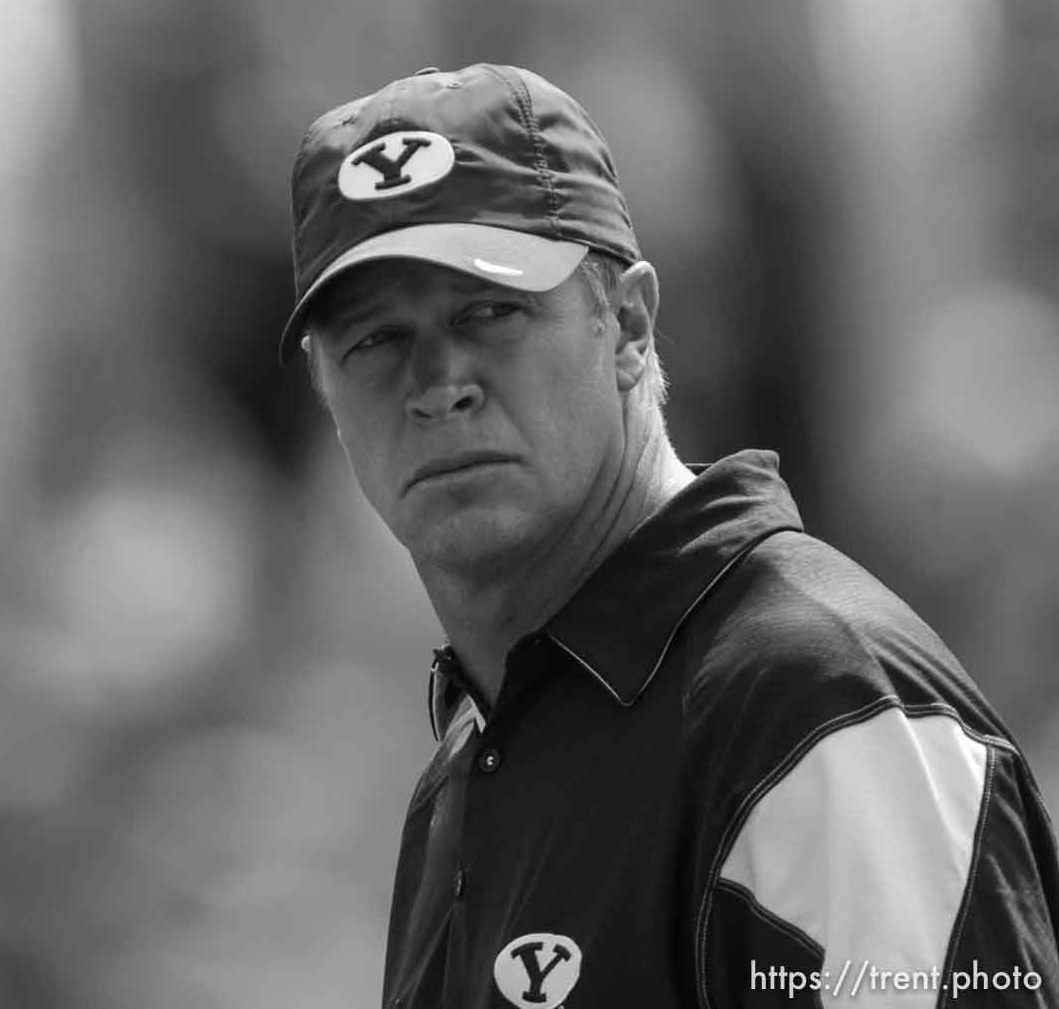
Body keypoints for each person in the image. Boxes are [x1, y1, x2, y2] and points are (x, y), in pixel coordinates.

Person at [280, 64, 1059, 1008]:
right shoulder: (473, 761)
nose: (439, 382)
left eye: (491, 311)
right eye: (375, 341)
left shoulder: (816, 706)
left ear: (629, 327)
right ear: (326, 392)